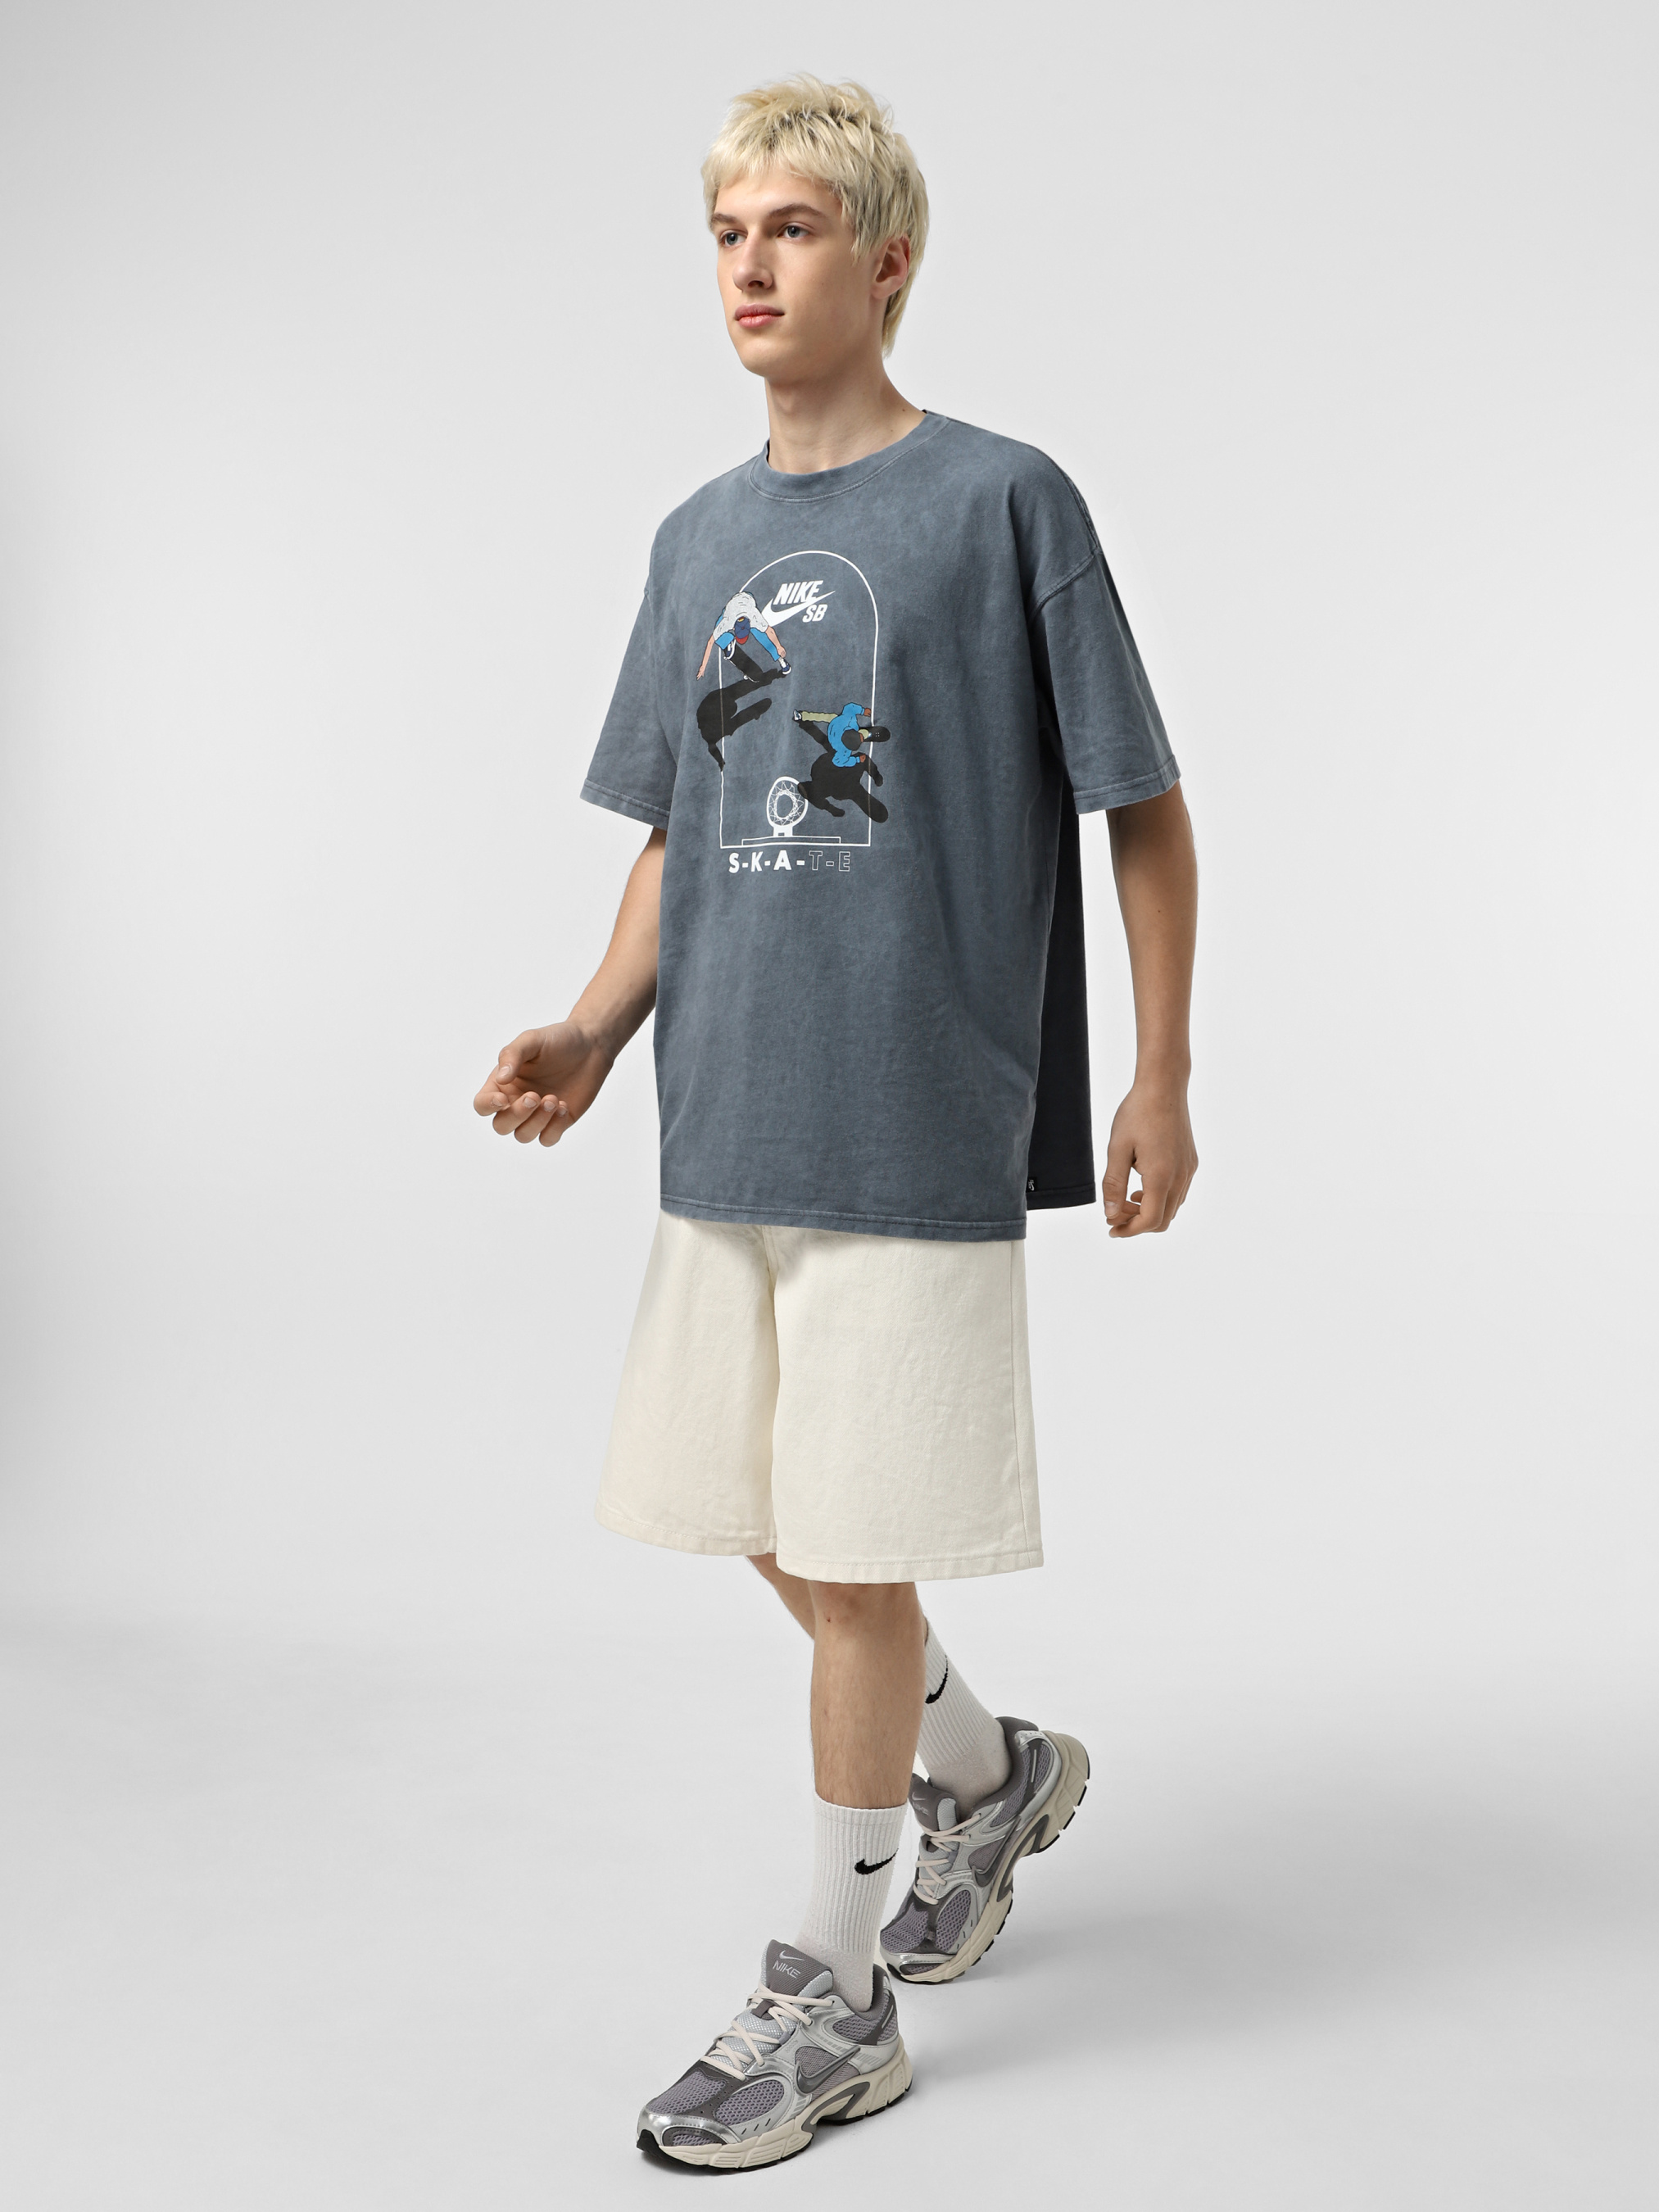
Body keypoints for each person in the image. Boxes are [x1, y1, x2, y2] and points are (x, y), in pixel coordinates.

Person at [473, 75, 1199, 2173]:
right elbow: (677, 831)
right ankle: (986, 1778)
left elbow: (1140, 803)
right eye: (725, 234)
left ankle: (834, 1990)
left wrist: (1157, 1073)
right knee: (768, 1523)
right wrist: (594, 1024)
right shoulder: (694, 540)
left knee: (859, 1556)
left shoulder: (1000, 502)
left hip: (911, 1116)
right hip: (726, 1113)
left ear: (884, 261)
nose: (748, 267)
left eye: (790, 230)